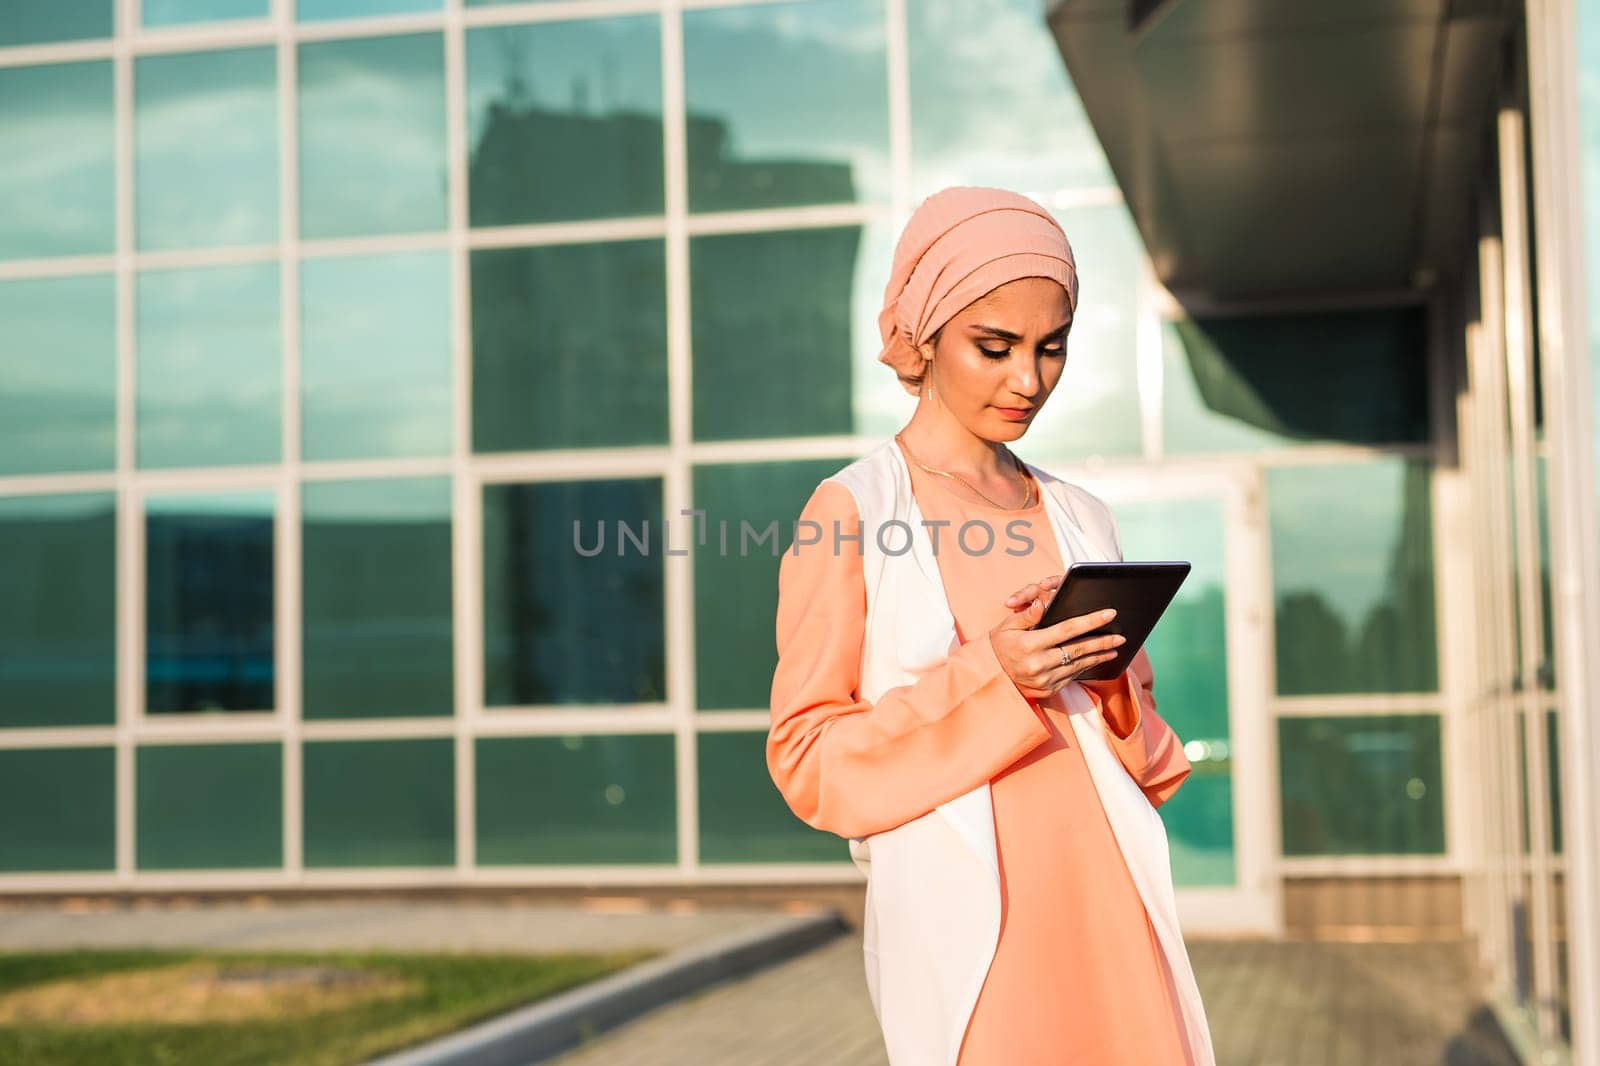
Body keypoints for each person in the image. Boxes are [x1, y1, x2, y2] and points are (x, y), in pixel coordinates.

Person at [766, 186, 1216, 1065]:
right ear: (923, 339)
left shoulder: (1080, 513)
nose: (1029, 379)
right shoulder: (852, 510)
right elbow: (809, 759)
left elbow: (1148, 760)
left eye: (1052, 348)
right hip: (973, 930)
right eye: (995, 346)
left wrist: (1106, 675)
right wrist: (998, 675)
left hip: (1107, 903)